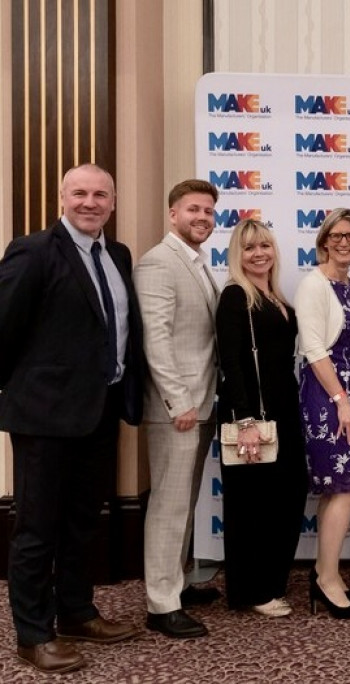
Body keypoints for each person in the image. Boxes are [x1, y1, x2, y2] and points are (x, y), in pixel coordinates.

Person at [0, 164, 144, 673]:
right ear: (62, 197)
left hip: (100, 410)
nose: (90, 202)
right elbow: (4, 328)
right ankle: (32, 634)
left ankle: (77, 612)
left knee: (84, 520)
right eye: (79, 193)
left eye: (100, 194)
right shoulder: (34, 251)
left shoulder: (118, 255)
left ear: (113, 200)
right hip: (43, 415)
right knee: (37, 527)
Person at [135, 178, 221, 639]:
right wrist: (178, 402)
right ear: (173, 214)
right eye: (193, 210)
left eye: (208, 211)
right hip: (177, 409)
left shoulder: (198, 263)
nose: (202, 218)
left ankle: (178, 581)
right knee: (168, 505)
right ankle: (161, 604)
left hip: (199, 404)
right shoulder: (158, 264)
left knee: (184, 501)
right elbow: (157, 340)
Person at [215, 219, 309, 617]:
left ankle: (271, 583)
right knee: (251, 505)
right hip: (252, 415)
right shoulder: (236, 296)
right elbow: (231, 364)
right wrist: (245, 422)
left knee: (288, 497)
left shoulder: (276, 297)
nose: (258, 254)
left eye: (265, 246)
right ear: (238, 254)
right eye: (250, 247)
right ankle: (251, 591)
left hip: (284, 409)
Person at [296, 208, 350, 620]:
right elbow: (313, 350)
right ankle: (325, 580)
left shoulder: (346, 282)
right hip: (328, 395)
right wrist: (341, 401)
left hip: (349, 390)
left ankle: (327, 572)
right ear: (324, 240)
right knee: (345, 486)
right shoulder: (314, 284)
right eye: (337, 235)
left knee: (338, 486)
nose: (345, 242)